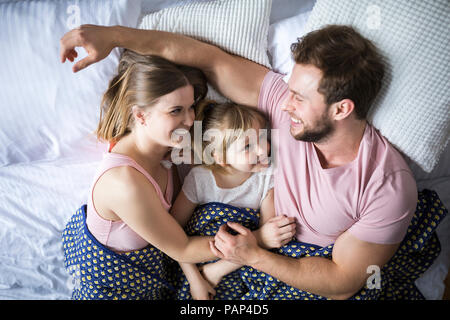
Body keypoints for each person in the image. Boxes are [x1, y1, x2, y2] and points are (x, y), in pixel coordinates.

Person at [60, 24, 418, 300]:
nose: (285, 103)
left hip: (299, 265)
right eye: (288, 90)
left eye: (298, 97)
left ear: (342, 109)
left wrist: (255, 255)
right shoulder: (280, 105)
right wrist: (112, 35)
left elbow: (342, 283)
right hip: (244, 243)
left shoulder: (387, 185)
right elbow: (207, 58)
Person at [62, 49, 218, 300]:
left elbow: (172, 229)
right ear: (141, 115)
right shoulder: (125, 183)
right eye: (176, 110)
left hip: (158, 277)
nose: (190, 120)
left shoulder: (167, 149)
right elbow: (183, 247)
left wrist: (194, 278)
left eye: (190, 107)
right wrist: (257, 242)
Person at [170, 100, 296, 300]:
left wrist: (215, 272)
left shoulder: (266, 177)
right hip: (196, 264)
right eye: (248, 146)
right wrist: (196, 280)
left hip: (243, 265)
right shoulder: (200, 179)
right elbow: (172, 237)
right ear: (220, 157)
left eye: (263, 137)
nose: (263, 151)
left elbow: (265, 239)